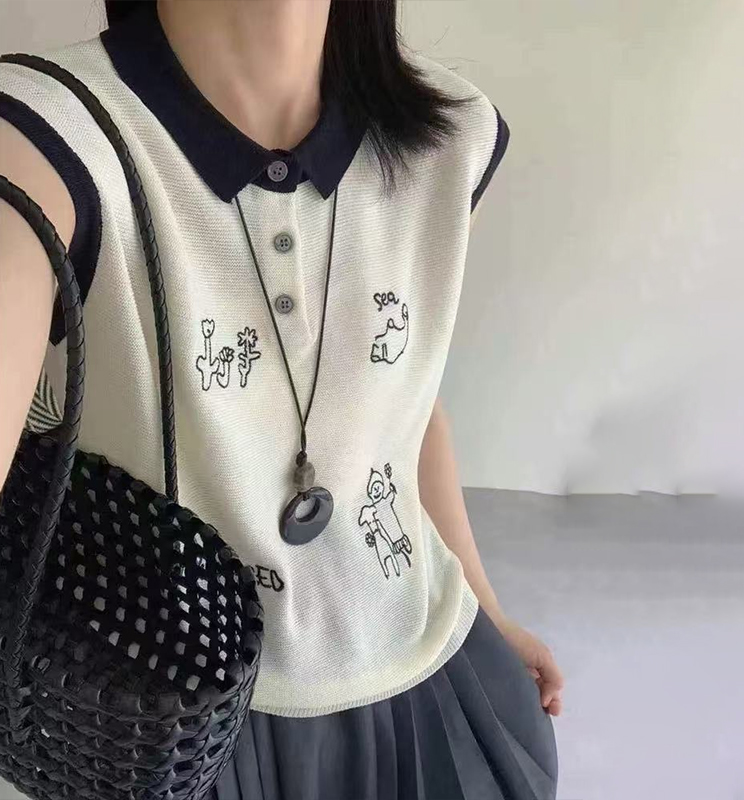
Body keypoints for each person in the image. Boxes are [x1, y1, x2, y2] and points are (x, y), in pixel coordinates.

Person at [0, 1, 563, 798]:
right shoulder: (44, 137)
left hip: (434, 682)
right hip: (166, 723)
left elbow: (403, 411)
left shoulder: (448, 135)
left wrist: (487, 607)